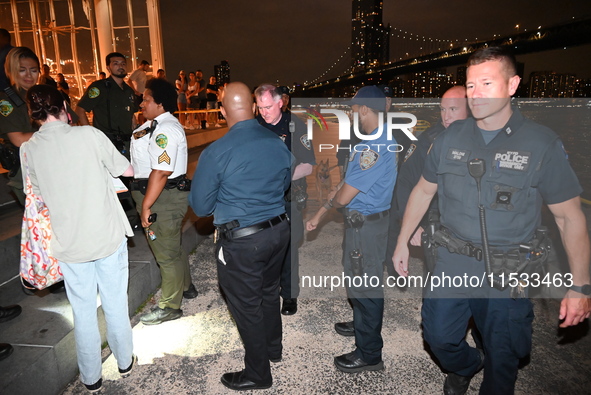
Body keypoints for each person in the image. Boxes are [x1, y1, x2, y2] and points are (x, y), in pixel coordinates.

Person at [392, 47, 591, 395]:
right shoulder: (449, 137)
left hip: (507, 269)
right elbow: (423, 191)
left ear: (513, 85)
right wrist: (401, 242)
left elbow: (569, 218)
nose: (476, 94)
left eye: (487, 83)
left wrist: (580, 287)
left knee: (504, 356)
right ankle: (468, 365)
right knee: (438, 335)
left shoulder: (541, 144)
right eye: (470, 86)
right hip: (452, 260)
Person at [21, 84, 136, 392]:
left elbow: (38, 195)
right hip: (106, 235)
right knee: (114, 301)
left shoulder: (28, 149)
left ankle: (91, 378)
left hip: (68, 241)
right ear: (65, 107)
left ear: (34, 115)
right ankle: (124, 361)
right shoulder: (89, 135)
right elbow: (126, 168)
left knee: (82, 311)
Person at [189, 81, 291, 391]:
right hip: (279, 231)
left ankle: (258, 374)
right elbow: (285, 182)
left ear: (222, 111)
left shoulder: (216, 152)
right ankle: (274, 350)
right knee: (269, 292)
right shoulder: (277, 142)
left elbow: (201, 207)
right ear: (252, 106)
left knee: (247, 308)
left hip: (243, 241)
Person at [307, 86, 397, 373]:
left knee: (366, 284)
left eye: (354, 108)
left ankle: (369, 353)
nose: (352, 113)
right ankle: (361, 323)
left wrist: (329, 204)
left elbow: (345, 195)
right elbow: (344, 186)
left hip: (366, 227)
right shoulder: (377, 139)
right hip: (367, 223)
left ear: (366, 110)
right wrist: (320, 213)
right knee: (360, 279)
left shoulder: (371, 148)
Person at [129, 78, 197, 326]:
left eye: (146, 99)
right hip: (158, 195)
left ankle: (170, 306)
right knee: (172, 247)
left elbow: (160, 172)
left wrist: (146, 206)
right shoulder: (152, 125)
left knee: (166, 255)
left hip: (162, 198)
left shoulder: (166, 130)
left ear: (160, 104)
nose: (142, 102)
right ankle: (186, 287)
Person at [255, 83, 316, 315]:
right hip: (261, 200)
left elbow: (308, 166)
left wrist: (278, 177)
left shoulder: (295, 126)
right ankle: (266, 290)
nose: (264, 112)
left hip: (287, 196)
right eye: (260, 107)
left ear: (281, 102)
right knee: (263, 247)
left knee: (289, 247)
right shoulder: (256, 126)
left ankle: (289, 295)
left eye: (268, 106)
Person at [76, 52, 137, 157]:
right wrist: (89, 133)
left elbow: (131, 113)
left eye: (123, 64)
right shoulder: (100, 87)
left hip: (126, 142)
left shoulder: (128, 90)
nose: (120, 66)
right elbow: (80, 109)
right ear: (108, 67)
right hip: (106, 141)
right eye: (116, 64)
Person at [0, 47, 39, 205]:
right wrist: (54, 131)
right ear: (11, 71)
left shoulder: (45, 95)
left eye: (33, 70)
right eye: (22, 70)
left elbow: (71, 123)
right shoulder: (6, 102)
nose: (29, 75)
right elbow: (18, 139)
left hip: (54, 167)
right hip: (27, 173)